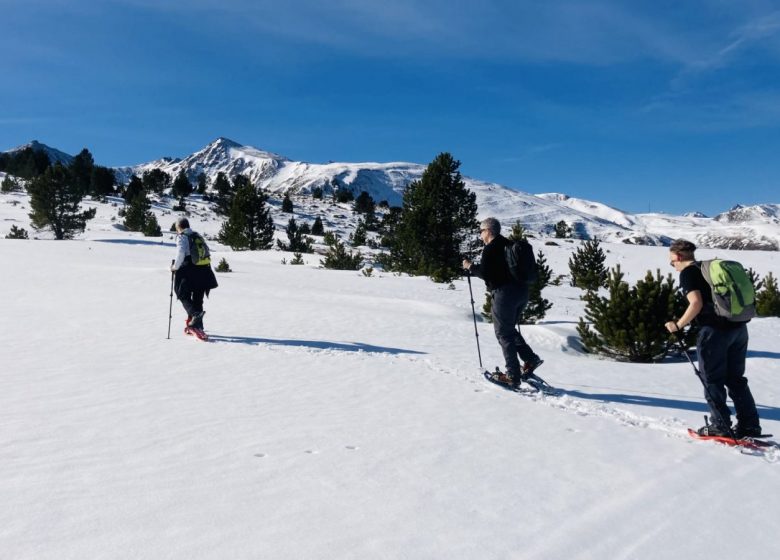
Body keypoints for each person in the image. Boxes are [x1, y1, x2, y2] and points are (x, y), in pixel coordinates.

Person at [664, 238, 761, 437]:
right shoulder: (707, 270)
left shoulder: (689, 273)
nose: (673, 266)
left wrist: (678, 325)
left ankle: (720, 425)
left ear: (678, 256)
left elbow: (696, 303)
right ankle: (749, 424)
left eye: (672, 262)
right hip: (739, 328)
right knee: (736, 379)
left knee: (712, 380)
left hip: (714, 332)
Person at [463, 217, 543, 387]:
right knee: (508, 329)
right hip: (522, 292)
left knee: (503, 333)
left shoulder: (491, 248)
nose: (480, 234)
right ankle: (530, 359)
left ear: (489, 231)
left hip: (504, 294)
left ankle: (513, 376)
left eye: (481, 231)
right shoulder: (509, 243)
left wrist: (470, 267)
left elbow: (486, 274)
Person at [171, 217, 218, 331]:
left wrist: (174, 267)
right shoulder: (196, 235)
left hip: (189, 270)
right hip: (204, 270)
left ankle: (195, 315)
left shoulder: (182, 237)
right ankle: (198, 325)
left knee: (182, 294)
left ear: (179, 227)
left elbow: (181, 253)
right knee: (198, 298)